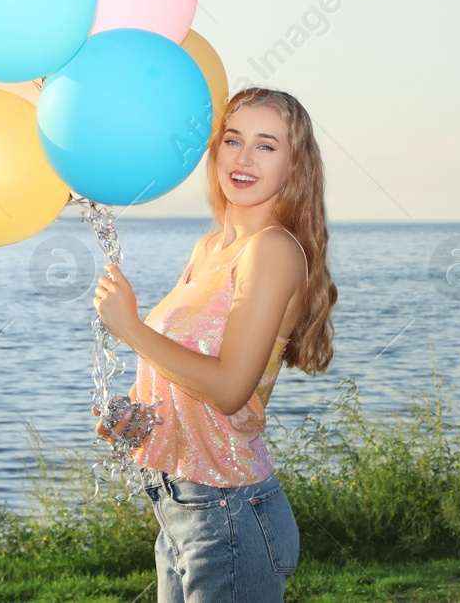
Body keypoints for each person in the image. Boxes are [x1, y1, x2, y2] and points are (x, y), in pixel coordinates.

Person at [92, 86, 338, 602]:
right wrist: (139, 417)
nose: (244, 159)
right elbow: (188, 381)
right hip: (178, 507)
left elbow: (229, 390)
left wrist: (132, 328)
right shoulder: (209, 247)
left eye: (266, 146)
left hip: (229, 514)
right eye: (233, 140)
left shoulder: (271, 250)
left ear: (295, 165)